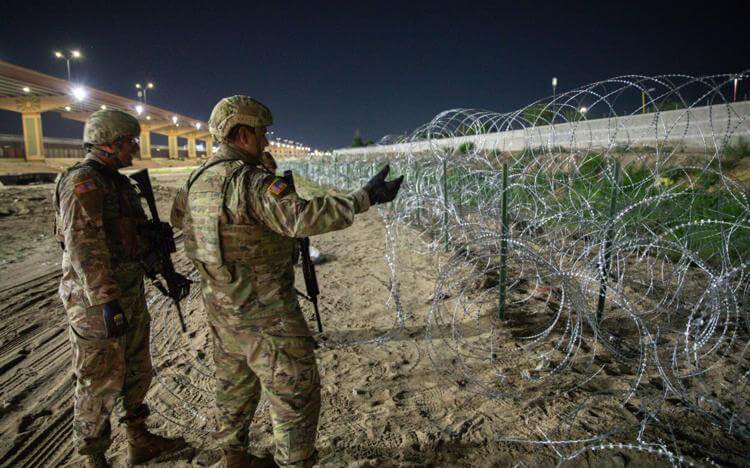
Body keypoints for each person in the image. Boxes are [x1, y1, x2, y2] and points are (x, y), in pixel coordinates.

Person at [170, 95, 403, 467]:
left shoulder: (195, 180)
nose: (265, 141)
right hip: (265, 314)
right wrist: (363, 198)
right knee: (295, 391)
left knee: (234, 389)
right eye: (261, 132)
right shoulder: (251, 182)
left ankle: (234, 457)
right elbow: (301, 218)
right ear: (242, 133)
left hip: (220, 309)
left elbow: (179, 220)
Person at [53, 109, 187, 467]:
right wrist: (106, 300)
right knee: (98, 381)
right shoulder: (83, 182)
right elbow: (84, 248)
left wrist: (165, 272)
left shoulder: (119, 183)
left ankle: (138, 440)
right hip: (97, 303)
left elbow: (135, 239)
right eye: (130, 142)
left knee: (136, 369)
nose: (135, 149)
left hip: (127, 293)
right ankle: (93, 457)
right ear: (111, 143)